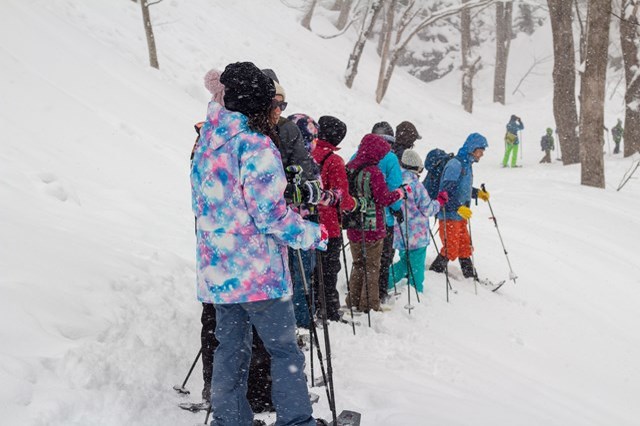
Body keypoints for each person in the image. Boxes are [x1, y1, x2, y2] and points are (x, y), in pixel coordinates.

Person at [191, 61, 328, 426]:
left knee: (229, 351)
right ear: (258, 105)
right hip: (258, 273)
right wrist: (313, 234)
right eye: (272, 104)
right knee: (284, 351)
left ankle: (230, 420)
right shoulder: (255, 145)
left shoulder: (207, 144)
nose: (275, 112)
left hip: (219, 271)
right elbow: (270, 215)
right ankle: (297, 421)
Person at [193, 69, 274, 413]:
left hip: (216, 251)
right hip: (244, 255)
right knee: (239, 334)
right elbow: (264, 206)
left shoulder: (208, 137)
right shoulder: (248, 139)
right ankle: (241, 399)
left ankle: (224, 399)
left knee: (222, 331)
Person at [263, 69, 319, 330]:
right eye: (277, 103)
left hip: (244, 232)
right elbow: (308, 173)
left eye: (282, 105)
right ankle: (296, 325)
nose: (278, 109)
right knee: (295, 274)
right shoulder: (286, 130)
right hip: (289, 216)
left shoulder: (232, 131)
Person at [345, 134, 405, 312]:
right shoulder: (374, 172)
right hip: (372, 224)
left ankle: (353, 299)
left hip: (354, 223)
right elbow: (383, 198)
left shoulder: (350, 168)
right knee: (372, 266)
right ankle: (369, 303)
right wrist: (400, 194)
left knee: (358, 264)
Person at [311, 115, 355, 321]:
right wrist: (355, 204)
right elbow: (342, 197)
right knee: (329, 270)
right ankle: (328, 308)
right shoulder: (334, 160)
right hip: (329, 224)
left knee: (311, 268)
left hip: (307, 221)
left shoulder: (307, 151)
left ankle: (309, 305)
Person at [429, 133, 489, 279]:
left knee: (464, 247)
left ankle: (470, 277)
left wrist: (477, 193)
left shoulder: (467, 165)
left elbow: (461, 188)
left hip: (460, 215)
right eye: (480, 151)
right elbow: (445, 192)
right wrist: (457, 207)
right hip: (449, 214)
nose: (481, 155)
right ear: (472, 148)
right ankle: (434, 275)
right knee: (451, 248)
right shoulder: (455, 165)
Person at [389, 150, 447, 293]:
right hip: (417, 234)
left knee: (405, 261)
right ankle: (416, 290)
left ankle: (384, 281)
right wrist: (440, 202)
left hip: (400, 231)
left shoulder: (395, 182)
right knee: (415, 266)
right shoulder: (416, 185)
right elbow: (428, 208)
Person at [369, 121, 403, 304]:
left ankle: (362, 292)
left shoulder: (359, 154)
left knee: (365, 258)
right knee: (383, 257)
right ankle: (379, 292)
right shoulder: (390, 158)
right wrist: (397, 209)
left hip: (362, 215)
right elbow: (393, 186)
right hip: (384, 217)